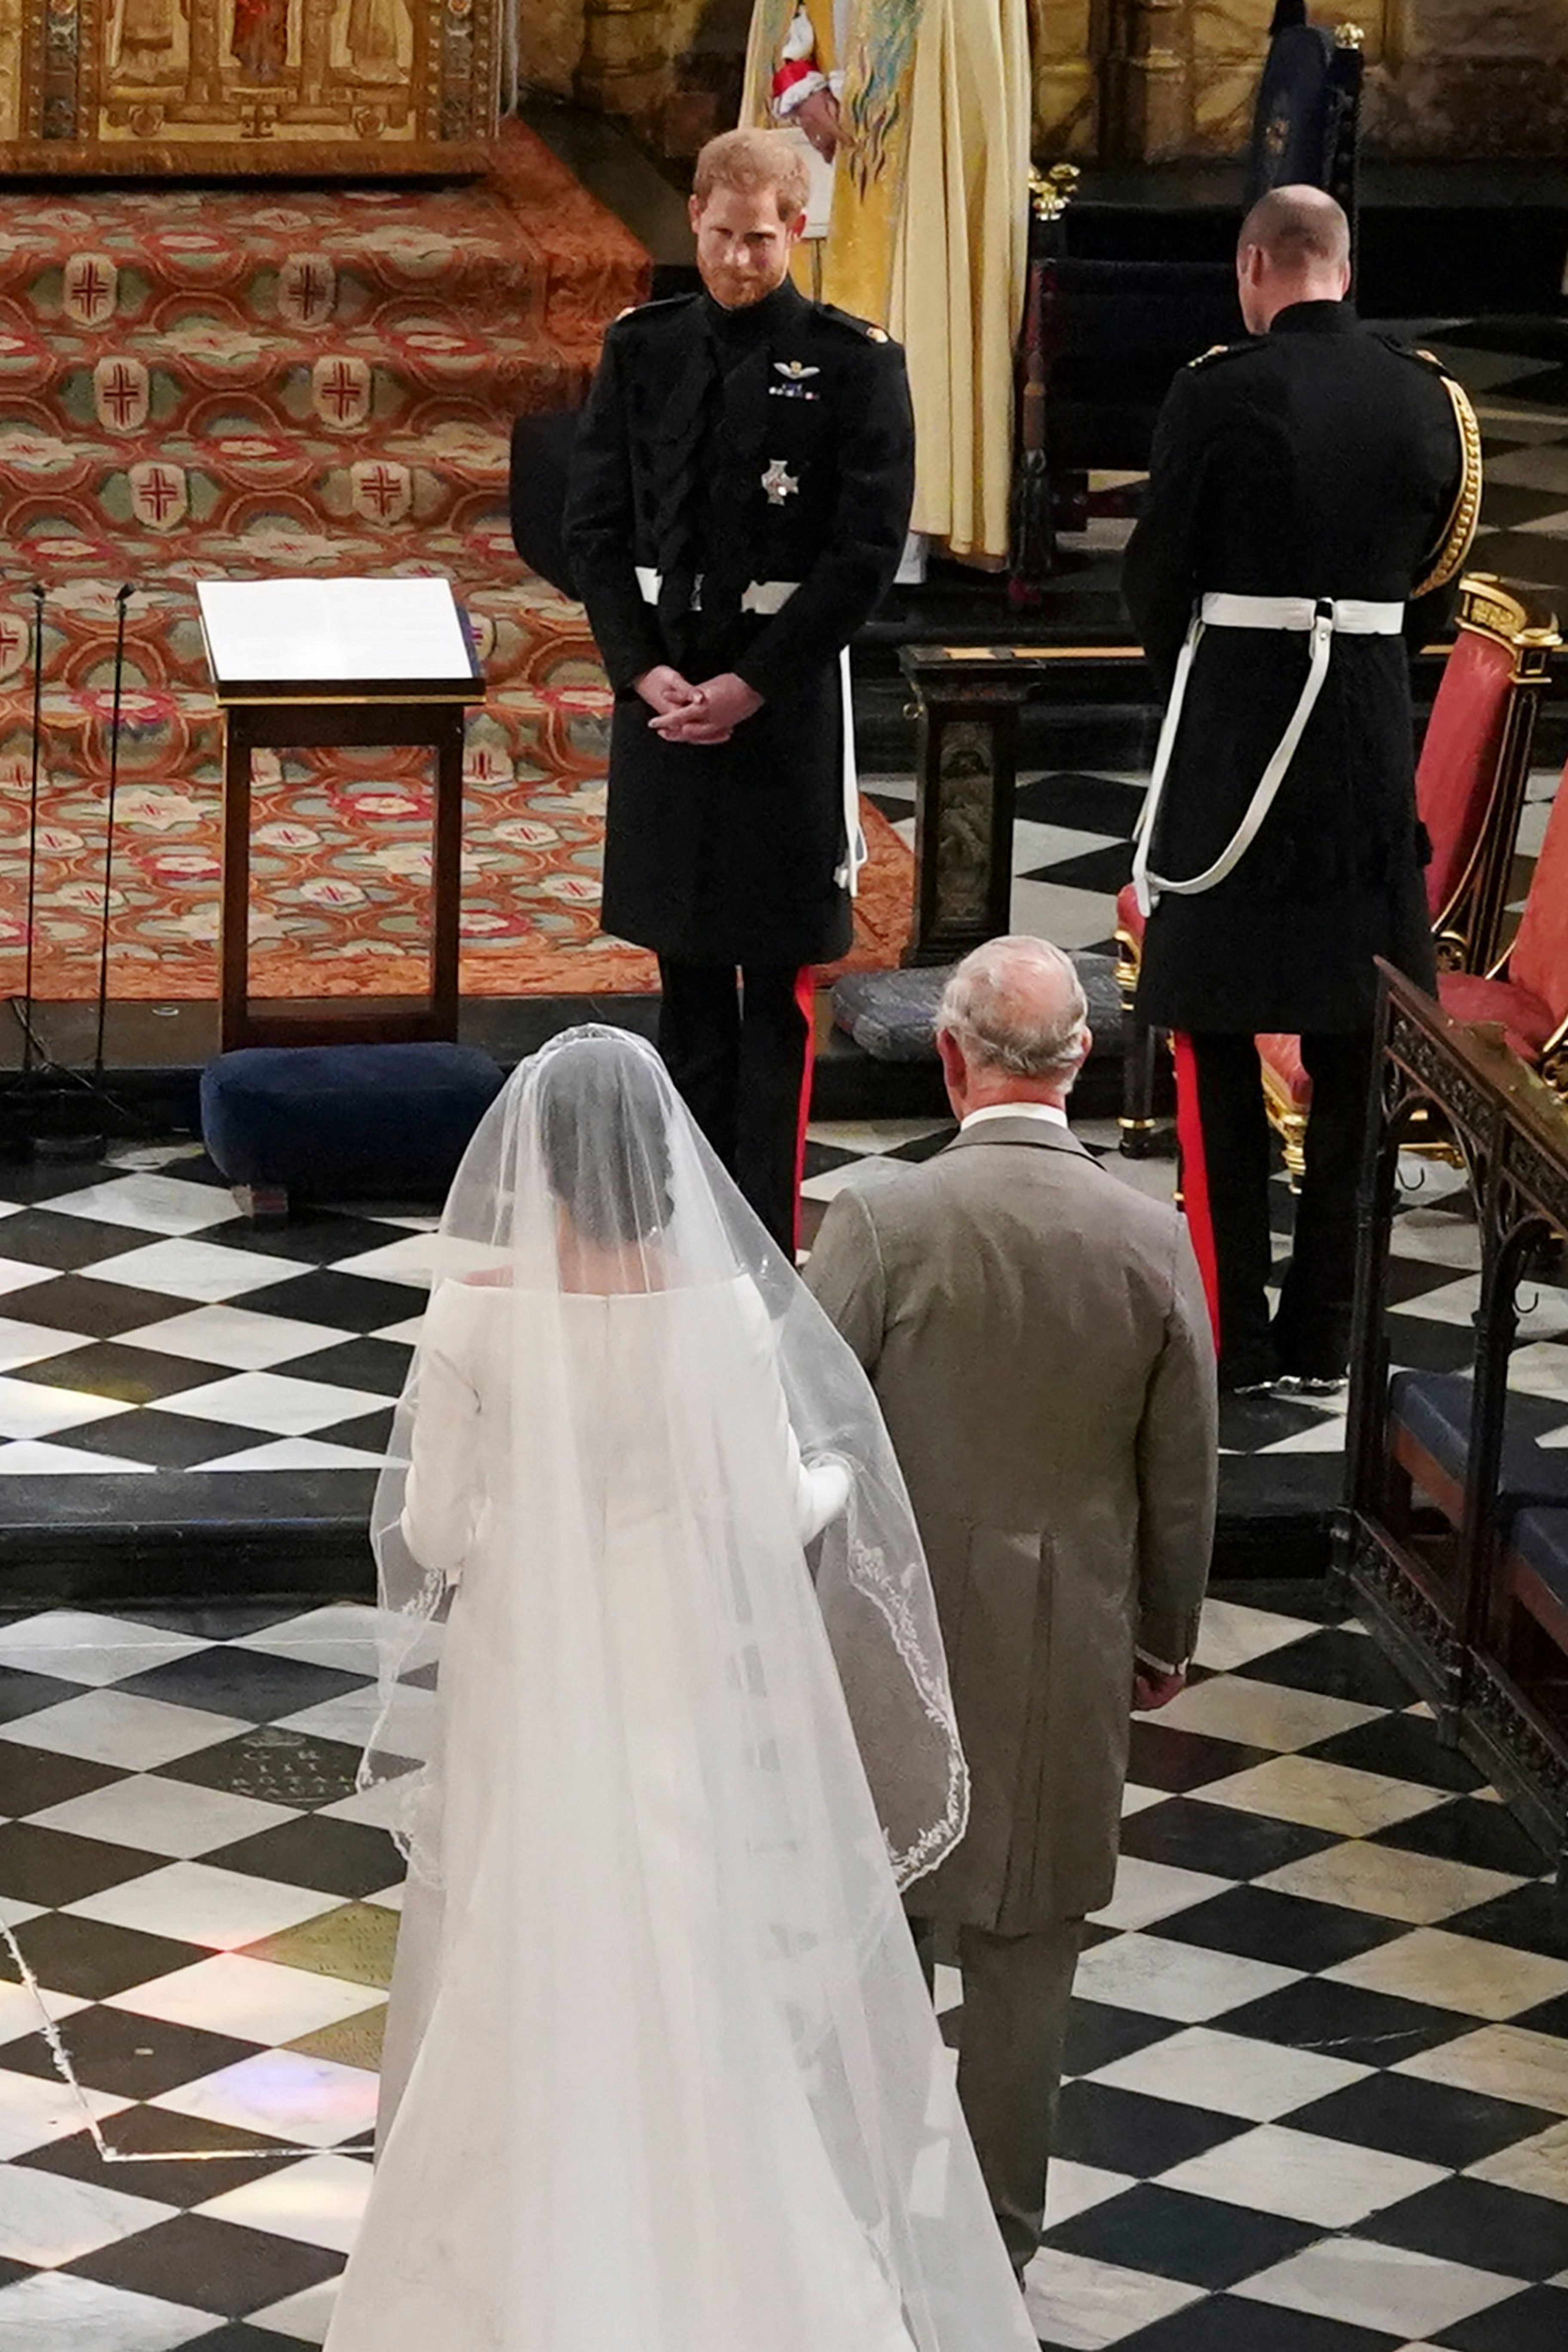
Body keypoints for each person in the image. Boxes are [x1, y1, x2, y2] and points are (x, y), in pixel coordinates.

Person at [324, 1026, 1037, 2352]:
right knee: (680, 1940)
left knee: (522, 1933)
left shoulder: (477, 1306)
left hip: (527, 1675)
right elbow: (771, 1515)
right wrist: (838, 1474)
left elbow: (430, 1537)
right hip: (668, 1674)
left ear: (537, 1165)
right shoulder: (718, 1309)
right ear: (665, 1157)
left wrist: (527, 1530)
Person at [805, 938, 1217, 2285]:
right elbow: (1181, 1467)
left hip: (891, 1641)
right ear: (1084, 1060)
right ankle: (995, 2259)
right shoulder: (1150, 1235)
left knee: (875, 1941)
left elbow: (807, 1435)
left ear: (948, 1052)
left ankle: (854, 2239)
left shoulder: (878, 1219)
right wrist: (1162, 1636)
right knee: (1031, 1955)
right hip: (1071, 1646)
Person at [1124, 184, 1482, 1393]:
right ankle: (1331, 1329)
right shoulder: (1433, 397)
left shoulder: (1215, 389)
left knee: (1218, 1032)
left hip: (1239, 733)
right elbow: (1433, 583)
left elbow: (1156, 574)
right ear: (1343, 265)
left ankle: (1233, 1332)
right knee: (1350, 1042)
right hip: (1368, 746)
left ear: (1254, 268)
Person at [562, 126, 914, 1258]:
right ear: (696, 224)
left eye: (759, 240)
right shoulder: (644, 349)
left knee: (778, 995)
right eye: (718, 237)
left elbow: (862, 556)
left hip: (783, 707)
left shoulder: (856, 363)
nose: (737, 261)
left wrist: (752, 686)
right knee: (686, 979)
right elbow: (595, 527)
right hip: (665, 700)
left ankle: (761, 1227)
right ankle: (679, 1218)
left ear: (795, 229)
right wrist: (638, 667)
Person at [740, 0, 1030, 573]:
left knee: (914, 283)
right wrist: (798, 79)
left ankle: (896, 530)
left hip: (920, 86)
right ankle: (785, 508)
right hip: (818, 73)